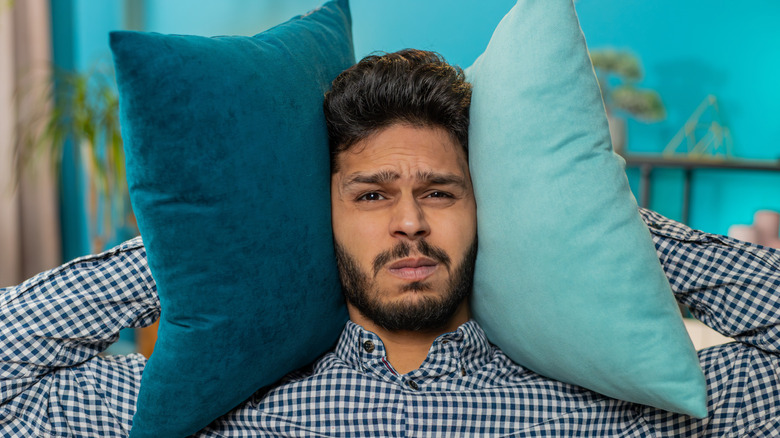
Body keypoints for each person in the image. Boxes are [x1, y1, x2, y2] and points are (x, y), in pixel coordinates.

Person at [1, 49, 779, 437]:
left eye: (439, 192)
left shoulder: (614, 406)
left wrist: (593, 222)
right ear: (320, 215)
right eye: (371, 196)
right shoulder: (219, 402)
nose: (409, 221)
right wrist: (216, 236)